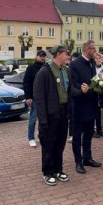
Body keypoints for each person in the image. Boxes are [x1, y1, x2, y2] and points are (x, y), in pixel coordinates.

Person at [35, 46, 73, 186]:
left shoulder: (66, 70)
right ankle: (48, 172)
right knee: (49, 144)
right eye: (66, 54)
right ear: (58, 54)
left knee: (60, 143)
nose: (68, 56)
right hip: (50, 114)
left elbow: (69, 91)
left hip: (63, 113)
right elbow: (39, 98)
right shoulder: (44, 72)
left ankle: (58, 170)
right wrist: (43, 120)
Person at [69, 40, 101, 173]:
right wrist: (82, 89)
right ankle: (78, 161)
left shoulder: (92, 62)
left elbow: (92, 80)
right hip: (79, 105)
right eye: (93, 49)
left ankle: (87, 158)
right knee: (77, 136)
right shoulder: (74, 64)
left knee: (88, 134)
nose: (95, 51)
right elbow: (73, 83)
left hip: (91, 104)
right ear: (87, 49)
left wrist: (99, 83)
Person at [23, 50, 47, 146]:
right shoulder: (31, 68)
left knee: (43, 119)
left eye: (44, 56)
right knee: (33, 118)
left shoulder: (46, 67)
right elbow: (26, 82)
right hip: (35, 97)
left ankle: (41, 136)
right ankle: (31, 138)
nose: (42, 57)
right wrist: (28, 96)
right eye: (41, 56)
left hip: (45, 97)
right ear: (37, 56)